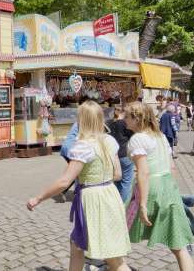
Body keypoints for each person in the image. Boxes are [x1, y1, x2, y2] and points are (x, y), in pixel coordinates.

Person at [27, 101, 131, 271]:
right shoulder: (109, 140)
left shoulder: (84, 146)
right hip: (110, 195)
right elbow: (118, 174)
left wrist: (38, 198)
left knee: (90, 251)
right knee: (104, 254)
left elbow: (64, 182)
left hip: (93, 200)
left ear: (82, 120)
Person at [124, 102, 194, 271]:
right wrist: (171, 192)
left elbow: (144, 172)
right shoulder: (160, 136)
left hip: (151, 188)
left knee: (120, 229)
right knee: (179, 245)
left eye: (127, 116)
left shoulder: (138, 139)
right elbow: (171, 167)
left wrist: (142, 204)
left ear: (137, 118)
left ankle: (114, 264)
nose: (124, 119)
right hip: (168, 186)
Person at [108, 105, 134, 203]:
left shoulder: (110, 122)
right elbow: (132, 136)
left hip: (113, 154)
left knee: (117, 180)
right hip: (124, 153)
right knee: (126, 181)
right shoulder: (124, 123)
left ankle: (115, 201)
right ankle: (122, 204)